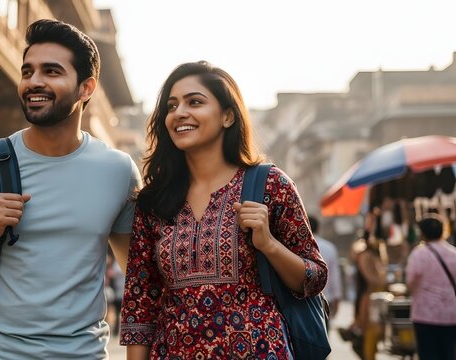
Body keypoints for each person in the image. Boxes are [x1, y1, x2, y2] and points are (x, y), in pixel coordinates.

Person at [0, 19, 141, 359]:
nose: (34, 82)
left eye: (51, 72)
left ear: (87, 88)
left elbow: (139, 272)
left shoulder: (118, 170)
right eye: (28, 72)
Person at [119, 61, 327, 359]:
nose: (179, 113)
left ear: (228, 116)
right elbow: (140, 303)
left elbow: (314, 278)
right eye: (172, 105)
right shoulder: (154, 201)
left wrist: (268, 245)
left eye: (195, 102)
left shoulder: (270, 184)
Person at [405, 214, 456, 360]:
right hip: (451, 315)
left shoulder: (419, 254)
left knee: (428, 354)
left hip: (425, 315)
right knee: (448, 354)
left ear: (422, 233)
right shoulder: (453, 253)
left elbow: (410, 282)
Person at [309, 215, 343, 320]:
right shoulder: (329, 248)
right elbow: (334, 277)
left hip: (302, 303)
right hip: (324, 302)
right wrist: (337, 300)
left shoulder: (293, 247)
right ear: (318, 228)